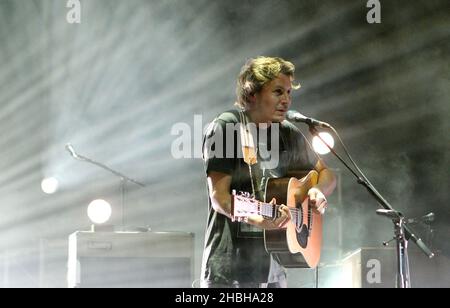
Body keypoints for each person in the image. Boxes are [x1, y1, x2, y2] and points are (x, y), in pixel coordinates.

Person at [200, 56, 336, 288]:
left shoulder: (288, 133)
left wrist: (317, 191)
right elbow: (219, 197)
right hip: (229, 272)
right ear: (253, 94)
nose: (286, 100)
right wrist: (255, 217)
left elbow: (327, 175)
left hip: (274, 271)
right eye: (278, 92)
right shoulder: (227, 127)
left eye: (288, 93)